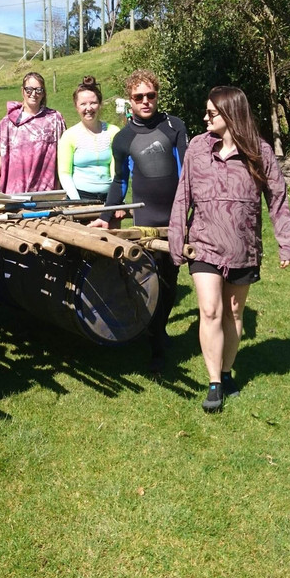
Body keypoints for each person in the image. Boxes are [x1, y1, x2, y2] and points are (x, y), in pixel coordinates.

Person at [168, 86, 290, 413]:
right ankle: (214, 383)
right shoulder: (197, 148)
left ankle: (226, 372)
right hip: (204, 244)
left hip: (243, 248)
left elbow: (278, 200)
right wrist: (176, 240)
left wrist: (287, 244)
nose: (205, 117)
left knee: (234, 313)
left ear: (230, 115)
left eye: (211, 113)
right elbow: (183, 195)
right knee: (210, 310)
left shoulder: (259, 151)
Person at [89, 69, 188, 372]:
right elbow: (120, 182)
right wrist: (106, 217)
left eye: (150, 95)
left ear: (157, 95)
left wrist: (188, 214)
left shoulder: (175, 127)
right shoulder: (123, 138)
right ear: (129, 101)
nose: (145, 101)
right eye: (138, 97)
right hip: (145, 221)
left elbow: (187, 175)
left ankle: (159, 330)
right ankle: (155, 344)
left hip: (174, 218)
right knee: (150, 281)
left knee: (170, 281)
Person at [0, 71, 66, 194]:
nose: (33, 94)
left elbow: (64, 156)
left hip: (45, 193)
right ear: (22, 91)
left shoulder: (55, 119)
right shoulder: (8, 122)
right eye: (29, 89)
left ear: (43, 92)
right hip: (14, 192)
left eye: (38, 90)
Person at [57, 76, 118, 205]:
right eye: (83, 104)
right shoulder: (69, 136)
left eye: (93, 103)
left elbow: (117, 171)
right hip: (80, 197)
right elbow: (64, 173)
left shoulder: (113, 132)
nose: (88, 108)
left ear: (100, 104)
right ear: (76, 107)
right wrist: (76, 202)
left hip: (109, 198)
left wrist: (116, 199)